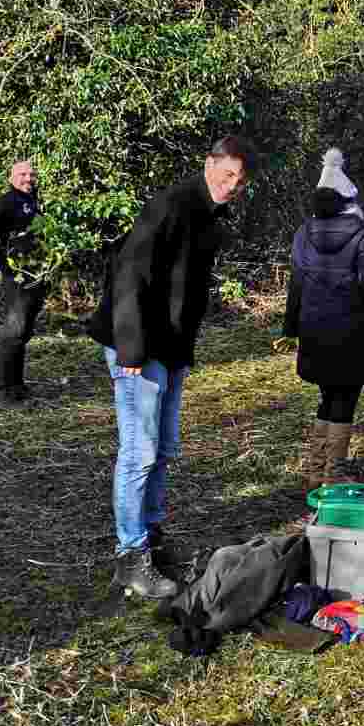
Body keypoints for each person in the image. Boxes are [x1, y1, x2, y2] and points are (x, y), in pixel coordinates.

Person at [94, 136, 257, 599]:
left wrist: (181, 349)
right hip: (139, 348)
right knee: (140, 452)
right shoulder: (171, 205)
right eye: (226, 175)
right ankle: (131, 557)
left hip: (170, 348)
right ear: (209, 164)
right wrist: (130, 351)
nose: (232, 187)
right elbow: (130, 273)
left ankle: (153, 538)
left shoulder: (209, 213)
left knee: (163, 448)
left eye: (240, 182)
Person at [282, 174, 364, 497]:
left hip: (313, 332)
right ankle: (333, 474)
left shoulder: (301, 235)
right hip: (351, 333)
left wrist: (290, 329)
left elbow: (295, 285)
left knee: (327, 397)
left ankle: (315, 470)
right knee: (344, 400)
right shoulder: (362, 237)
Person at [0, 159, 47, 404]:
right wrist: (3, 261)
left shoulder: (33, 201)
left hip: (35, 275)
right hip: (17, 276)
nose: (28, 179)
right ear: (11, 178)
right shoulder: (8, 201)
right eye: (22, 174)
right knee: (13, 331)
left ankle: (16, 386)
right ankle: (2, 392)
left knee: (23, 331)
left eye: (31, 175)